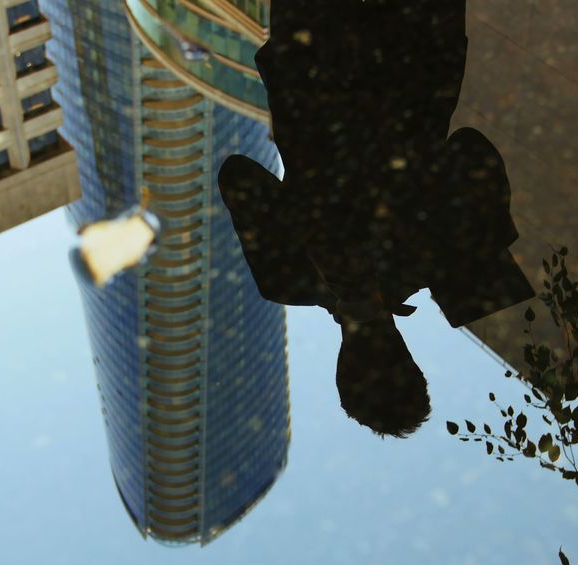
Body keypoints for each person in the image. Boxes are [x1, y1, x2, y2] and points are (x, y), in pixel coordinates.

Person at [218, 0, 534, 437]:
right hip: (325, 51)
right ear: (342, 371)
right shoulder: (287, 279)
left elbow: (471, 148)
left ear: (409, 358)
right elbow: (238, 176)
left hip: (406, 46)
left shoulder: (441, 262)